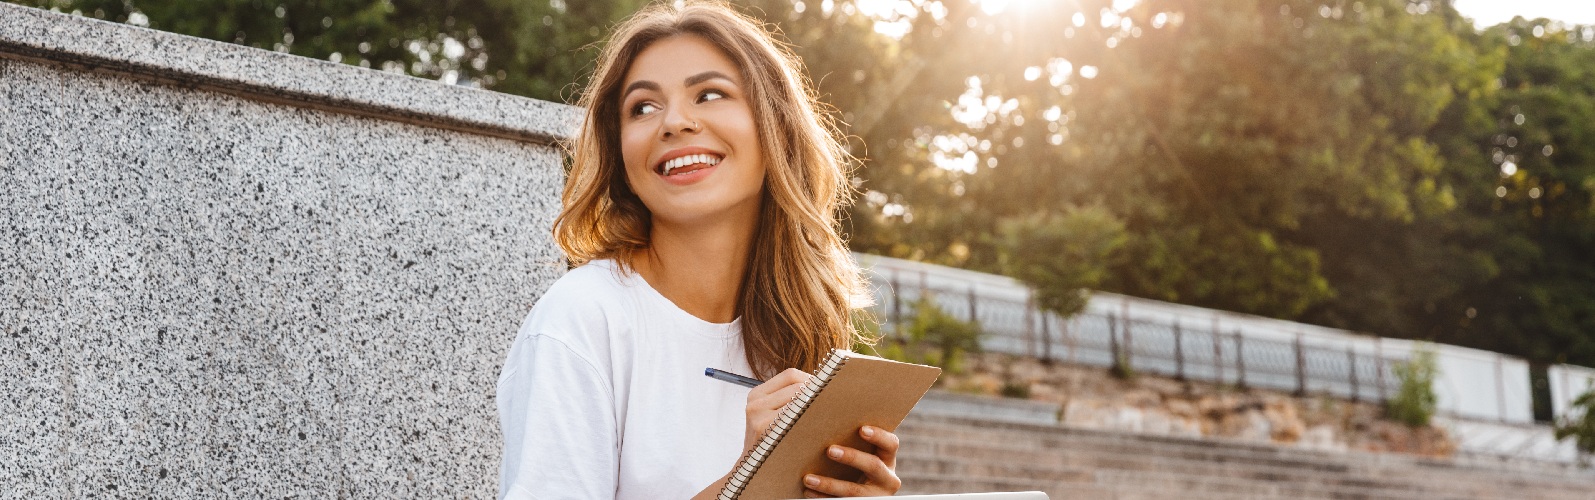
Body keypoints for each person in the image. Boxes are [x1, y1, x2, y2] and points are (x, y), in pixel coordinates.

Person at [495, 1, 901, 498]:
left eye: (709, 94)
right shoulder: (582, 319)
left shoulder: (798, 325)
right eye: (642, 107)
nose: (675, 122)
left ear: (775, 126)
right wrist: (748, 484)